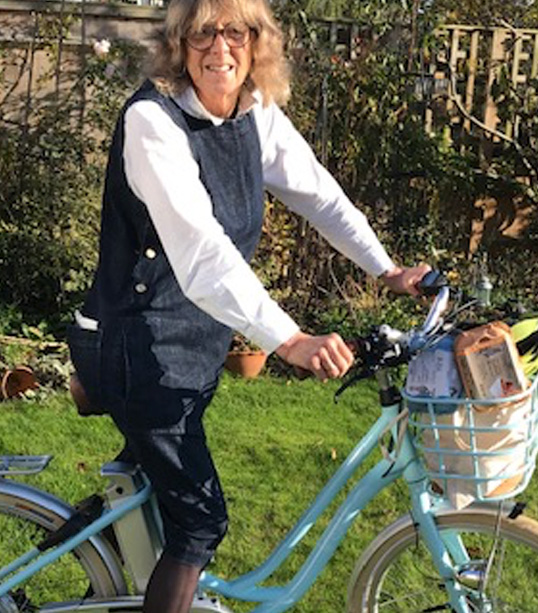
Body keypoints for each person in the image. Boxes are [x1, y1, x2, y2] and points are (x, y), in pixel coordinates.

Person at [67, 0, 430, 610]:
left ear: (257, 42)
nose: (220, 48)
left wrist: (387, 269)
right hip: (136, 350)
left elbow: (319, 193)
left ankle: (101, 565)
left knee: (156, 498)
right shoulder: (153, 123)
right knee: (199, 524)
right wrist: (289, 340)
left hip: (186, 348)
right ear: (180, 44)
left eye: (235, 31)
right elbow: (202, 252)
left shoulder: (252, 111)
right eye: (203, 32)